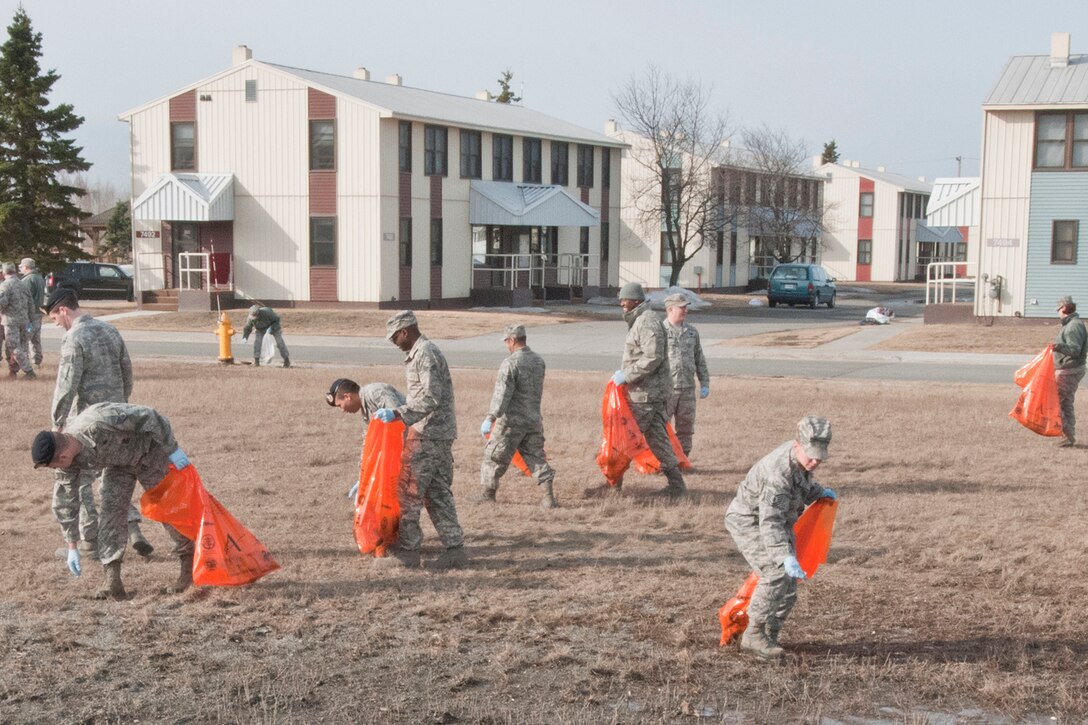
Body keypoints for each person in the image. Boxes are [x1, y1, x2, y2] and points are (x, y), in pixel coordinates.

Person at [32, 402, 196, 600]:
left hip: (149, 453)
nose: (56, 470)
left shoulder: (101, 422)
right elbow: (65, 500)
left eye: (53, 466)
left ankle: (189, 569)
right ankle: (112, 581)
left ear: (63, 455)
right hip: (118, 466)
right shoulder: (66, 462)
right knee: (110, 515)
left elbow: (150, 416)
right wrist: (72, 547)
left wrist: (172, 449)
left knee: (169, 510)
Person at [44, 287, 153, 561]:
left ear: (63, 310)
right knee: (117, 473)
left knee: (81, 479)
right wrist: (123, 405)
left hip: (87, 422)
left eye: (54, 317)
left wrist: (58, 423)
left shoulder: (74, 337)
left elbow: (66, 384)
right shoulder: (109, 330)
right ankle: (133, 529)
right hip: (119, 417)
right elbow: (127, 371)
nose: (54, 323)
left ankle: (90, 542)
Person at [724, 416, 837, 660]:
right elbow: (770, 521)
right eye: (811, 456)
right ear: (798, 445)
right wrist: (783, 556)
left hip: (778, 522)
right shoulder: (778, 473)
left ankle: (769, 633)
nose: (816, 461)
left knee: (788, 585)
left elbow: (798, 486)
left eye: (820, 457)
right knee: (775, 573)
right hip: (749, 521)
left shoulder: (799, 460)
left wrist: (818, 492)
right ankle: (753, 636)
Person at [374, 310, 467, 569]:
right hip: (437, 433)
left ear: (405, 331)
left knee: (408, 492)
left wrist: (397, 414)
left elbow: (429, 398)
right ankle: (455, 550)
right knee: (437, 493)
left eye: (394, 338)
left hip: (427, 434)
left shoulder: (424, 353)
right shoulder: (421, 352)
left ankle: (408, 552)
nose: (394, 343)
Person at [587, 281, 686, 497]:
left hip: (645, 395)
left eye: (625, 299)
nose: (621, 303)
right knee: (659, 441)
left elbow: (653, 357)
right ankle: (677, 487)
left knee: (624, 438)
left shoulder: (647, 322)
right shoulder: (641, 320)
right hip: (648, 394)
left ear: (636, 301)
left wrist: (627, 375)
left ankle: (613, 486)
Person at [475, 324, 558, 509]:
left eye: (506, 341)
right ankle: (548, 497)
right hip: (534, 419)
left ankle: (488, 495)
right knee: (536, 457)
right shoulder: (538, 361)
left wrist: (490, 418)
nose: (506, 345)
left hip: (511, 421)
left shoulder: (510, 363)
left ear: (512, 340)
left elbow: (502, 394)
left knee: (493, 457)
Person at [325, 377, 407, 500]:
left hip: (421, 444)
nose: (342, 410)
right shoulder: (366, 408)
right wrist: (364, 478)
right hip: (406, 451)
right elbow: (371, 444)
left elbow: (400, 419)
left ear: (347, 396)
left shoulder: (375, 393)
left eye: (340, 405)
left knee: (414, 499)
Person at [662, 293, 710, 457]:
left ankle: (683, 460)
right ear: (670, 309)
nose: (686, 310)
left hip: (687, 389)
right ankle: (663, 461)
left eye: (686, 307)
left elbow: (699, 359)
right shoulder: (660, 332)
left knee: (686, 427)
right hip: (667, 389)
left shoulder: (691, 332)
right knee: (662, 427)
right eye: (682, 307)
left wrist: (704, 383)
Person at [1053, 295, 1087, 448]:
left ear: (1065, 308)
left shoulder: (1073, 326)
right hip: (1071, 369)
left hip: (1070, 369)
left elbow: (1074, 350)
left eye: (1058, 308)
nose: (1057, 311)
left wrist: (1057, 347)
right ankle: (1068, 435)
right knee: (1066, 402)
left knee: (1057, 402)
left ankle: (1067, 434)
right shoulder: (1073, 324)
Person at [0, 261, 36, 379]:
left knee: (13, 347)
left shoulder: (5, 285)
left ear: (3, 272)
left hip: (11, 322)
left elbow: (2, 303)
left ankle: (29, 371)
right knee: (22, 346)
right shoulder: (23, 284)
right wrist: (31, 321)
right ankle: (14, 371)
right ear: (14, 271)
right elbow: (31, 304)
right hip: (24, 321)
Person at [19, 258, 45, 367]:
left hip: (29, 315)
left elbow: (25, 298)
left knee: (25, 338)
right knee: (36, 338)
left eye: (21, 266)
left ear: (26, 267)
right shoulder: (40, 278)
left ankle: (25, 362)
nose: (20, 268)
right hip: (38, 313)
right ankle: (37, 360)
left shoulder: (27, 280)